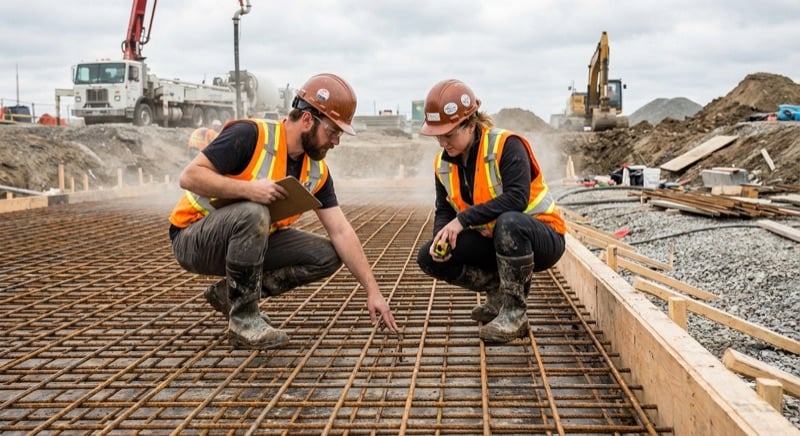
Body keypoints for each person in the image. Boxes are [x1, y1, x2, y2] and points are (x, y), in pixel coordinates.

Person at [168, 73, 399, 350]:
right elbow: (190, 176)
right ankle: (244, 320)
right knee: (254, 212)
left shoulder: (316, 171)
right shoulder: (251, 135)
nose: (336, 141)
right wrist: (249, 190)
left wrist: (372, 290)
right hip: (194, 239)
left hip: (247, 244)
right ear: (307, 120)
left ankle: (231, 296)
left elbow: (341, 230)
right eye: (333, 132)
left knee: (325, 255)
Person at [416, 79, 566, 344]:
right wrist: (441, 236)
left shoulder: (506, 145)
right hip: (495, 241)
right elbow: (444, 208)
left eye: (449, 135)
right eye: (438, 136)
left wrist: (462, 221)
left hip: (541, 237)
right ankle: (498, 292)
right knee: (427, 256)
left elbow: (517, 199)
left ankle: (515, 313)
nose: (442, 142)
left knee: (510, 222)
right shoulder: (442, 163)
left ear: (470, 125)